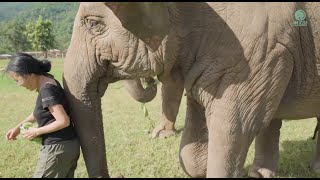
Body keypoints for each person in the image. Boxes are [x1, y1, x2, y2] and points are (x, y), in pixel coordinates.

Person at [4, 53, 80, 178]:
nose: (19, 85)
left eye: (18, 80)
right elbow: (40, 112)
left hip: (57, 149)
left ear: (29, 74)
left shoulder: (46, 90)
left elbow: (63, 121)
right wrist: (18, 127)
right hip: (67, 146)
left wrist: (37, 131)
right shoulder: (50, 82)